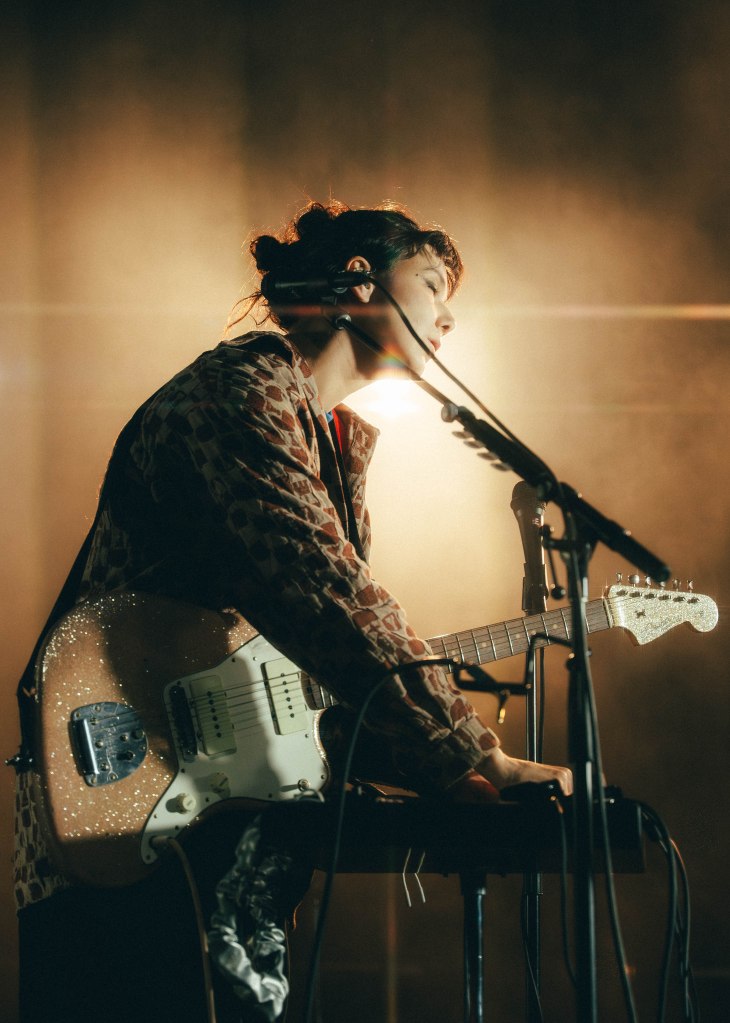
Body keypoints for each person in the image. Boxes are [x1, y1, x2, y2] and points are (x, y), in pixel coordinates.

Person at [12, 200, 572, 1022]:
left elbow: (311, 668)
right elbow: (328, 597)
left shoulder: (330, 437)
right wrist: (471, 752)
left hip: (213, 821)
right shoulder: (240, 394)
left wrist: (428, 761)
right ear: (359, 283)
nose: (449, 315)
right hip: (118, 800)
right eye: (431, 283)